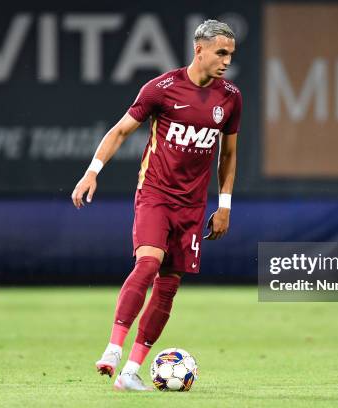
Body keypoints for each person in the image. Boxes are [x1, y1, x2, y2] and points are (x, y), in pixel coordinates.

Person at [71, 20, 241, 391]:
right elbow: (120, 131)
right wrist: (92, 172)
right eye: (221, 52)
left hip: (193, 206)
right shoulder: (161, 89)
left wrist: (224, 204)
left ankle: (131, 372)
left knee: (168, 287)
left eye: (231, 54)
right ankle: (114, 349)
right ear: (199, 50)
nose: (227, 61)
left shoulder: (230, 97)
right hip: (155, 195)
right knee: (148, 263)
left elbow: (228, 156)